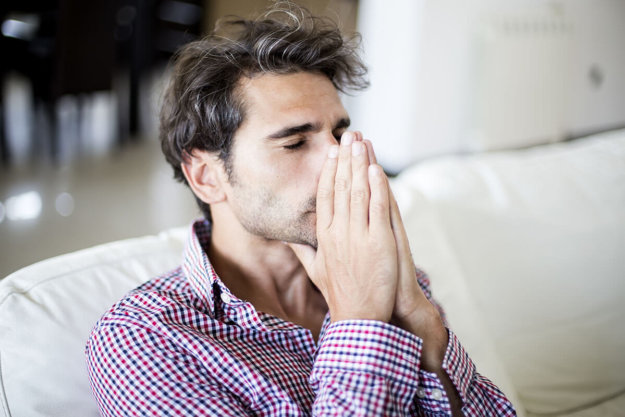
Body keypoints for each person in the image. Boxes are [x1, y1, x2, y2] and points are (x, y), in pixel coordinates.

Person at [86, 3, 517, 416]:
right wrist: (360, 320)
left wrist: (420, 319)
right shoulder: (144, 339)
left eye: (339, 133)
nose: (339, 160)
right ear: (206, 176)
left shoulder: (385, 275)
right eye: (294, 142)